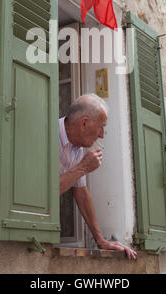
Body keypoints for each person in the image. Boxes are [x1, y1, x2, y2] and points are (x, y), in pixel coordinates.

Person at [59, 93, 137, 261]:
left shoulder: (77, 149)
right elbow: (41, 195)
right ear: (84, 123)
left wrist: (100, 240)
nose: (102, 135)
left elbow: (81, 193)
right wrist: (83, 168)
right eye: (101, 127)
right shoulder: (47, 136)